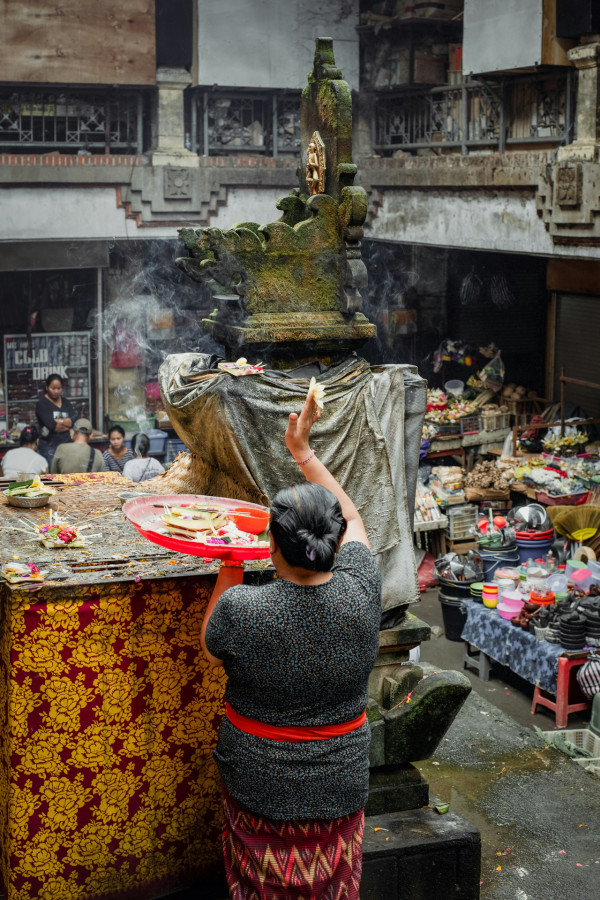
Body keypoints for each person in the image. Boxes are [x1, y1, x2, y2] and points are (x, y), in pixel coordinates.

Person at [202, 391, 381, 900]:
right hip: (340, 781)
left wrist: (231, 561)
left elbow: (212, 649)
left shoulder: (243, 609)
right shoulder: (362, 588)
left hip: (257, 781)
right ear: (332, 542)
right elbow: (354, 518)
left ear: (273, 548)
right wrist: (303, 451)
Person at [35, 374, 76, 467]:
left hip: (66, 446)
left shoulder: (65, 402)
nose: (56, 391)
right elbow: (52, 426)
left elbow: (73, 420)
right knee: (52, 473)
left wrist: (58, 421)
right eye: (53, 388)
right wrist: (66, 423)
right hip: (49, 448)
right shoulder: (42, 404)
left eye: (59, 388)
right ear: (47, 387)